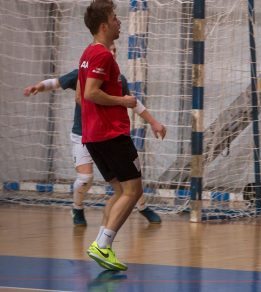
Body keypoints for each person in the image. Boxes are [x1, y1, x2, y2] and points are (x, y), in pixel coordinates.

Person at [23, 44, 165, 227]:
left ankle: (141, 207)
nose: (112, 52)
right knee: (86, 179)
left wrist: (153, 121)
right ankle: (78, 208)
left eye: (115, 50)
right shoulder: (81, 75)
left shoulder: (119, 79)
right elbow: (56, 82)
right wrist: (38, 86)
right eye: (109, 49)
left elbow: (133, 102)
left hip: (106, 137)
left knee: (127, 180)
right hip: (82, 136)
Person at [77, 0, 160, 271]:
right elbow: (90, 93)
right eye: (115, 18)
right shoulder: (102, 55)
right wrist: (122, 101)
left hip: (93, 135)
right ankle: (103, 245)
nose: (119, 22)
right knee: (134, 190)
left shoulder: (87, 53)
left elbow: (81, 96)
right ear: (104, 26)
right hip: (111, 134)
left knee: (119, 192)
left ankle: (103, 245)